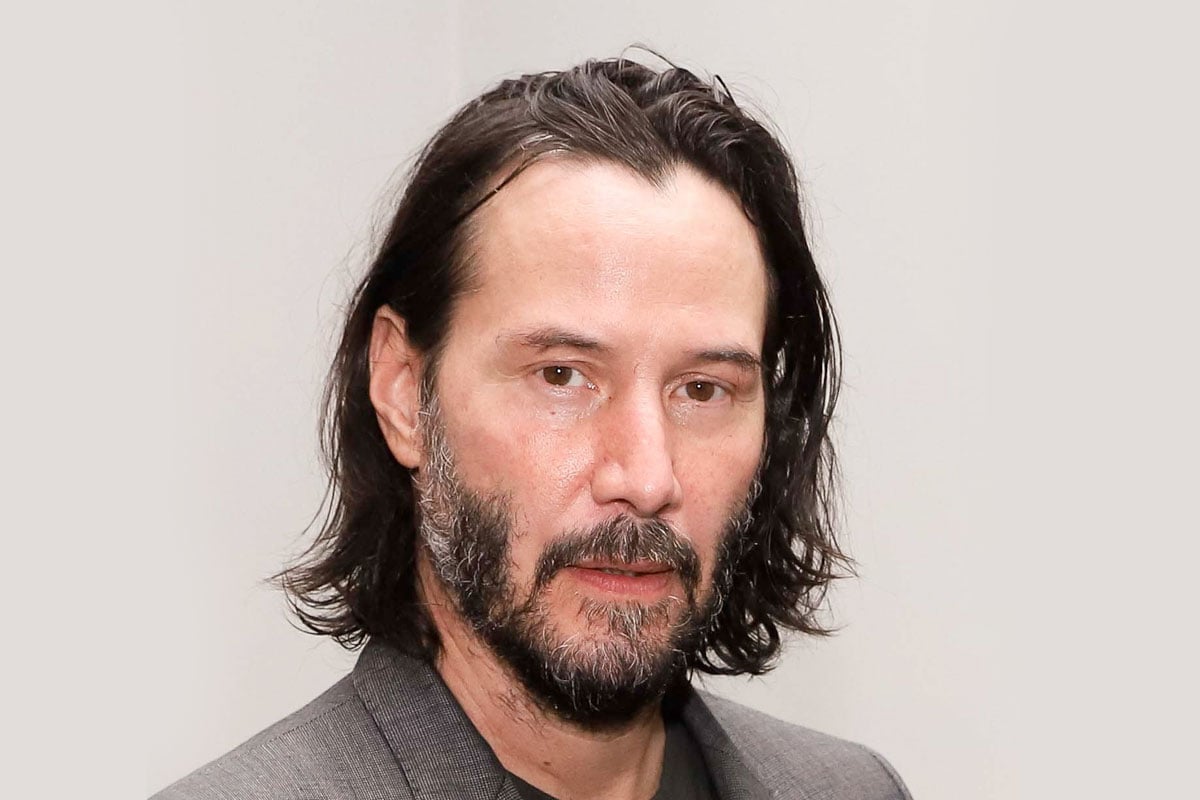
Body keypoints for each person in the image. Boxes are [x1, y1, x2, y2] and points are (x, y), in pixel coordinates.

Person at [156, 56, 911, 800]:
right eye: (561, 376)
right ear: (403, 392)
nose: (647, 477)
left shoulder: (853, 790)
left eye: (702, 389)